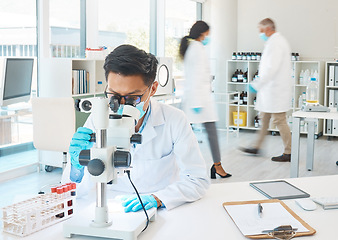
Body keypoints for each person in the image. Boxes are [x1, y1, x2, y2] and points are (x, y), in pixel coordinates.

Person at [62, 44, 210, 212]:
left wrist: (159, 199)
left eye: (132, 97)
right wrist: (77, 167)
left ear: (153, 89)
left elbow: (197, 179)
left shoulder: (174, 120)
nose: (121, 105)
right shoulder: (98, 120)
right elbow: (73, 192)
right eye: (114, 96)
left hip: (159, 205)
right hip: (111, 206)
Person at [179, 21, 231, 179]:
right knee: (204, 135)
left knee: (195, 134)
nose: (209, 36)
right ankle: (216, 167)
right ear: (203, 33)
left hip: (199, 98)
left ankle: (216, 166)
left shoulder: (194, 48)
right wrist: (197, 103)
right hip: (198, 100)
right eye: (208, 33)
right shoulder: (197, 49)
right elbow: (196, 76)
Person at [240, 18, 292, 162]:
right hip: (270, 91)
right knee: (264, 118)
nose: (260, 33)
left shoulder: (276, 43)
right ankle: (257, 147)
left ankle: (289, 152)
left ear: (268, 29)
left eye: (261, 30)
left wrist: (256, 84)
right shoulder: (274, 42)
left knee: (279, 120)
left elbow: (271, 69)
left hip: (276, 91)